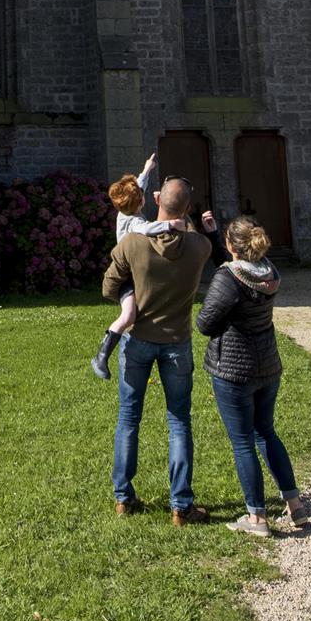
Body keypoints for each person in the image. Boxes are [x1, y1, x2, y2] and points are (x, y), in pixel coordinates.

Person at [103, 174, 214, 524]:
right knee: (179, 421)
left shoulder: (133, 243)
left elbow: (108, 287)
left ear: (155, 202)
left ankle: (124, 497)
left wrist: (129, 297)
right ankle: (181, 505)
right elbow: (201, 236)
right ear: (188, 209)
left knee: (128, 418)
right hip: (177, 343)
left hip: (137, 341)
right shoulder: (199, 247)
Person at [199, 216, 302, 536]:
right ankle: (295, 505)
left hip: (234, 370)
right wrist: (216, 235)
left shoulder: (228, 279)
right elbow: (233, 266)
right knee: (266, 433)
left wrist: (220, 322)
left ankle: (256, 518)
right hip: (267, 366)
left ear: (233, 247)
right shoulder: (268, 270)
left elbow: (205, 322)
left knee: (243, 442)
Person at [91, 153, 168, 379]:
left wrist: (147, 168)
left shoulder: (123, 212)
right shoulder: (135, 222)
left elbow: (137, 188)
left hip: (136, 276)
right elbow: (148, 230)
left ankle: (139, 348)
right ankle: (101, 356)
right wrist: (171, 223)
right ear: (141, 202)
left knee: (140, 314)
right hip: (126, 279)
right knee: (128, 316)